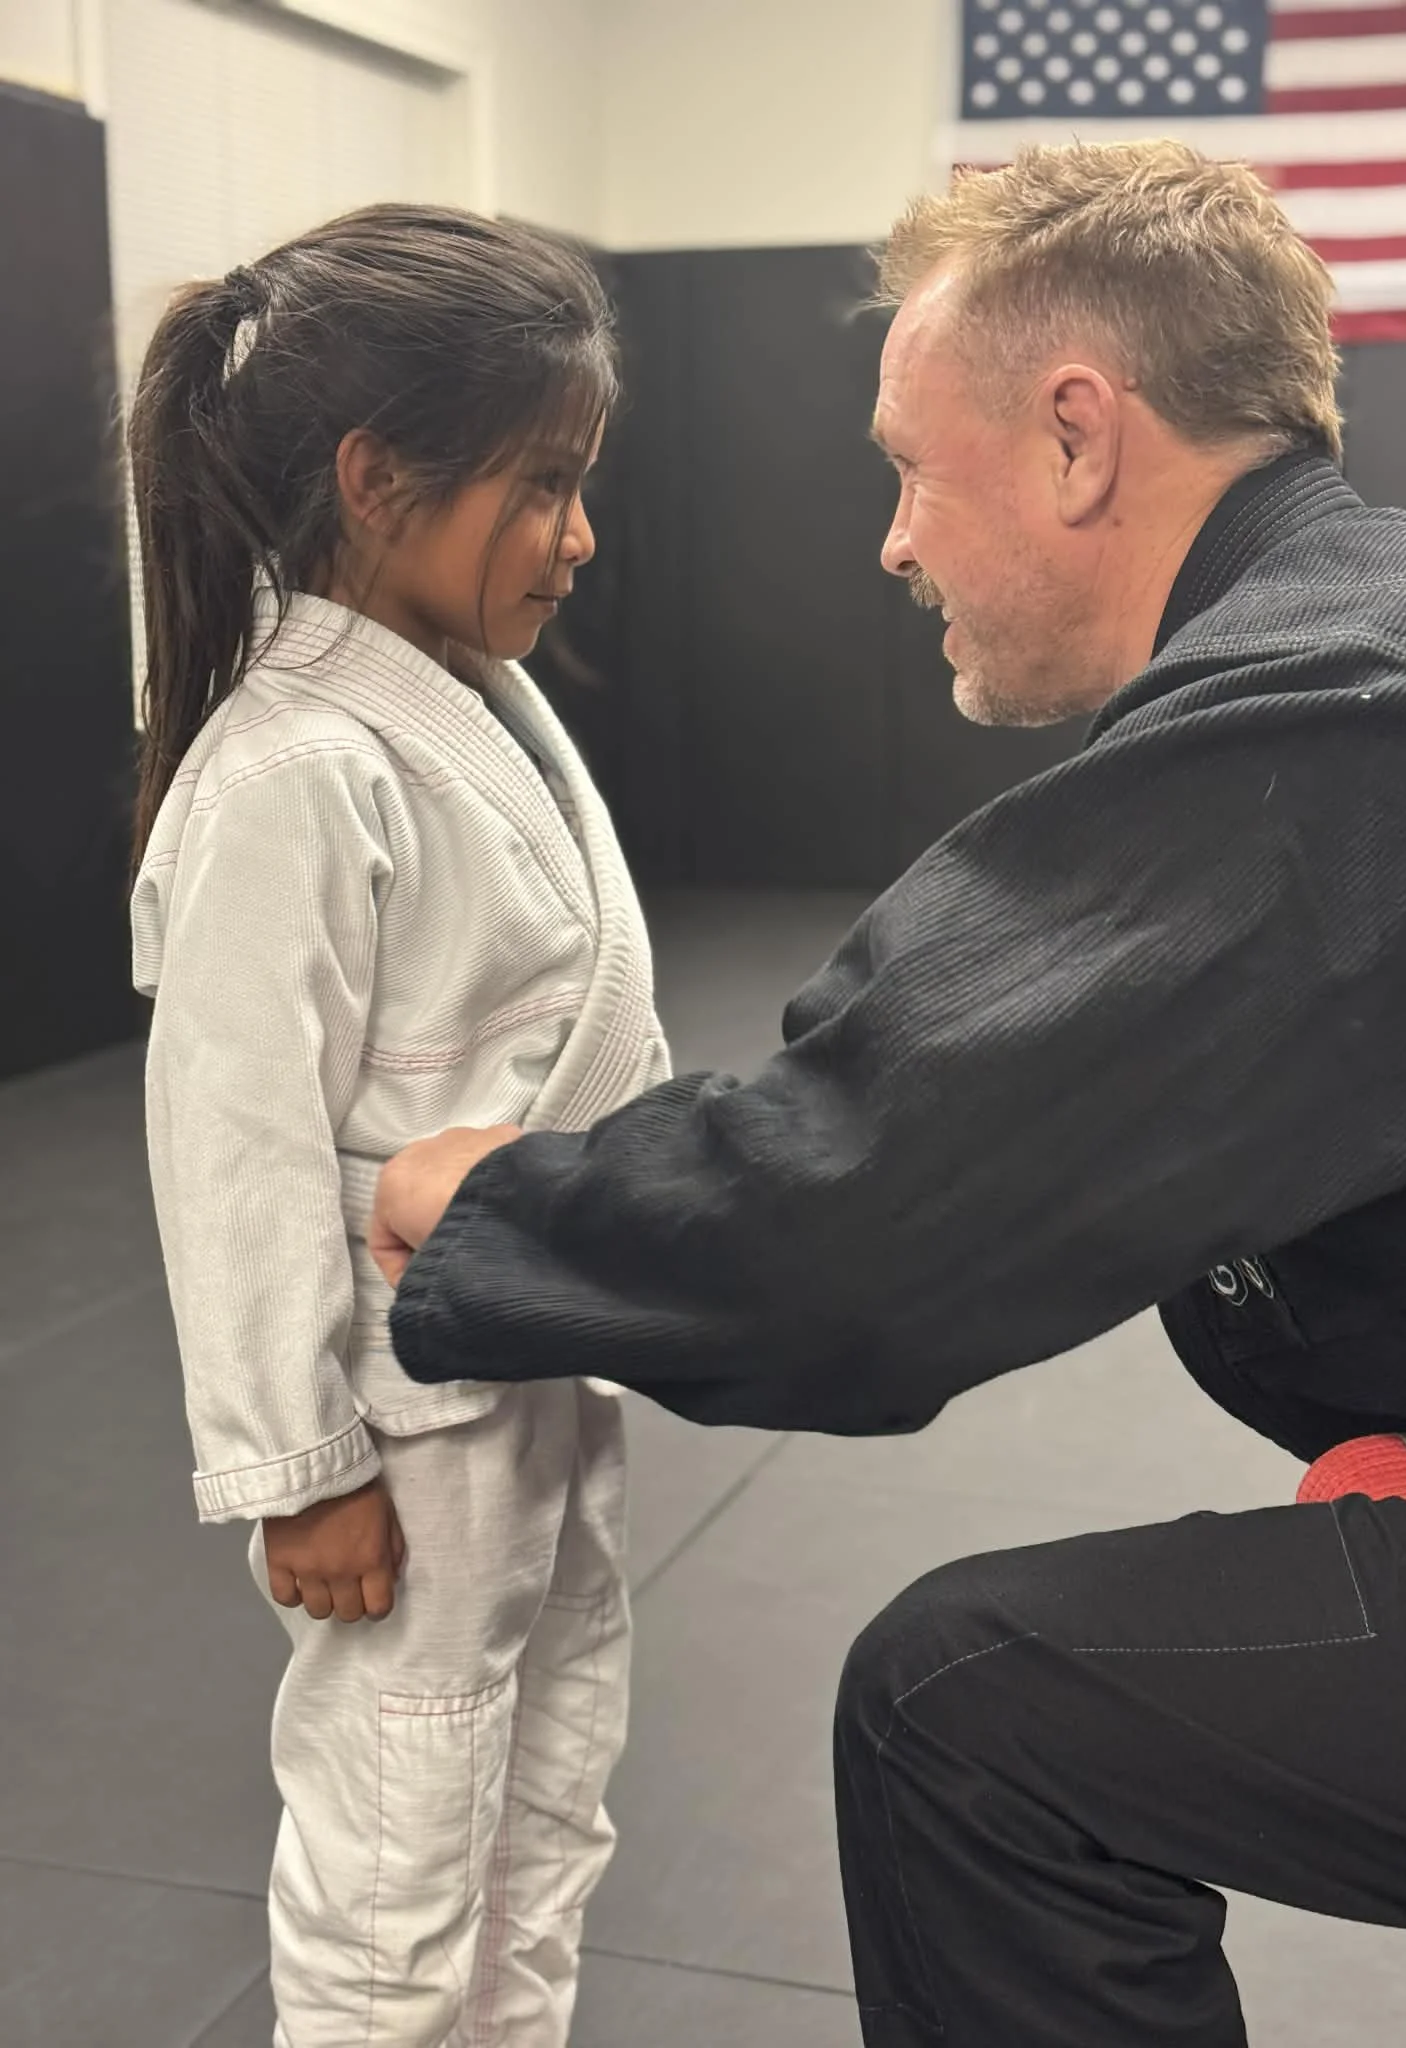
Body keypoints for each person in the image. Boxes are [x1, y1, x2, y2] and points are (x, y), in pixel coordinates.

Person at [369, 142, 1406, 2047]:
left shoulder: (1335, 725)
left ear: (1079, 437)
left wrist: (492, 1197)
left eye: (912, 464)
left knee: (966, 1710)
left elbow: (852, 1230)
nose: (896, 540)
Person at [128, 203, 667, 2048]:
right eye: (542, 485)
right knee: (396, 1856)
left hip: (533, 1355)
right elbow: (236, 1144)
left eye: (584, 484)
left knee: (546, 1792)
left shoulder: (471, 704)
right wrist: (300, 1465)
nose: (579, 536)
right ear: (375, 479)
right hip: (402, 1415)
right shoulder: (294, 765)